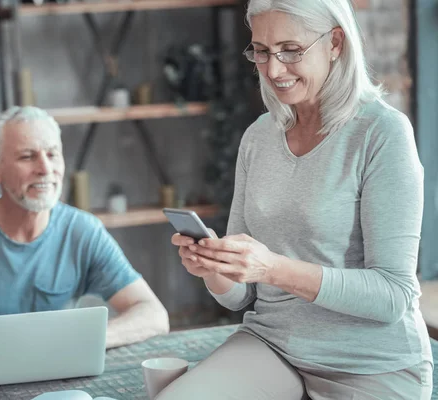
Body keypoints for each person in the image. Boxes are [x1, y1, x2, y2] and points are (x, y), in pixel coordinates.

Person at [163, 0, 433, 399]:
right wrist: (214, 267)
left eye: (291, 50)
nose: (273, 70)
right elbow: (243, 296)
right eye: (262, 51)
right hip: (272, 345)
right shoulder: (258, 137)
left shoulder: (382, 133)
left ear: (335, 43)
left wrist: (272, 268)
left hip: (367, 363)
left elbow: (392, 295)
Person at [0, 106, 169, 368]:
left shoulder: (84, 231)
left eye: (53, 154)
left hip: (56, 377)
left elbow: (153, 315)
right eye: (27, 156)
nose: (45, 169)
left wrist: (85, 340)